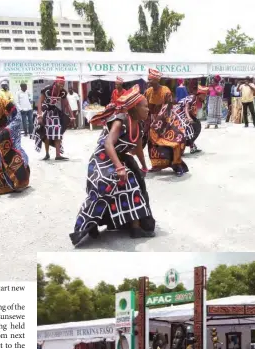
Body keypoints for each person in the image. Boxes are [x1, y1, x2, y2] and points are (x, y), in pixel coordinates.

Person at [69, 85, 155, 246]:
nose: (148, 110)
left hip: (119, 159)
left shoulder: (139, 125)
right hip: (102, 159)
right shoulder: (121, 120)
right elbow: (108, 144)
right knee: (106, 186)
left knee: (132, 182)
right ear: (135, 108)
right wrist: (120, 168)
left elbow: (137, 148)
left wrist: (143, 167)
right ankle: (89, 225)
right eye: (145, 107)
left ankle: (135, 227)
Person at [148, 85, 208, 175]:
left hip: (175, 123)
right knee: (155, 140)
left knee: (181, 138)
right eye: (166, 96)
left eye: (169, 96)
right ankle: (157, 165)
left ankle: (177, 163)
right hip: (172, 120)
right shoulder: (189, 100)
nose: (169, 98)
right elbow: (186, 107)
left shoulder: (170, 108)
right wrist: (188, 118)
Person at [33, 76, 75, 161]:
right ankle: (47, 154)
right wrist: (40, 116)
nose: (61, 86)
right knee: (45, 134)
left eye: (63, 84)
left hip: (55, 112)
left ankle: (58, 155)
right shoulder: (47, 90)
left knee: (58, 132)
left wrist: (72, 116)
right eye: (60, 83)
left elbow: (67, 104)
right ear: (56, 82)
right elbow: (40, 102)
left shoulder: (62, 92)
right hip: (45, 112)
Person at [143, 69, 172, 148]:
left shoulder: (165, 91)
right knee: (152, 143)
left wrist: (158, 121)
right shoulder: (148, 92)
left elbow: (168, 108)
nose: (148, 81)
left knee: (163, 141)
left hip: (164, 120)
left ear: (156, 80)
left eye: (150, 80)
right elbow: (145, 107)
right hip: (151, 120)